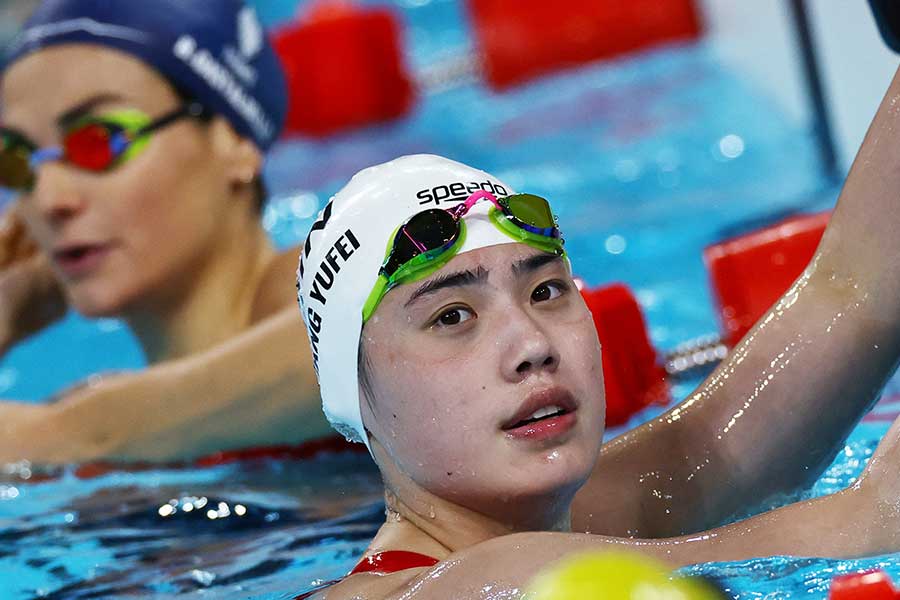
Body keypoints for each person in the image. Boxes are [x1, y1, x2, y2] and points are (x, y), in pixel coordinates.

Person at [295, 79, 900, 599]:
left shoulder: (569, 526)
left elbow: (849, 296)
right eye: (452, 317)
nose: (532, 344)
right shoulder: (479, 586)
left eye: (546, 291)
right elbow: (873, 523)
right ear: (358, 400)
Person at [0, 0, 333, 464]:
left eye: (100, 141)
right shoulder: (106, 417)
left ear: (234, 140)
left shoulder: (316, 288)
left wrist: (67, 436)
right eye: (16, 159)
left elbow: (396, 325)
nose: (49, 198)